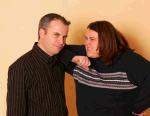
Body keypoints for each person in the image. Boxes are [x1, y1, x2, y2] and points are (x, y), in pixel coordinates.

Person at [61, 21, 150, 116]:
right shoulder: (82, 54)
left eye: (92, 39)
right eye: (86, 38)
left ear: (106, 40)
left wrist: (137, 109)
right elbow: (55, 50)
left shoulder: (128, 60)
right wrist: (73, 58)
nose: (87, 43)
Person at [7, 13, 70, 116]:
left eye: (64, 37)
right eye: (56, 35)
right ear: (42, 33)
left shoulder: (60, 61)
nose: (61, 42)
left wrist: (76, 57)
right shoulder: (20, 68)